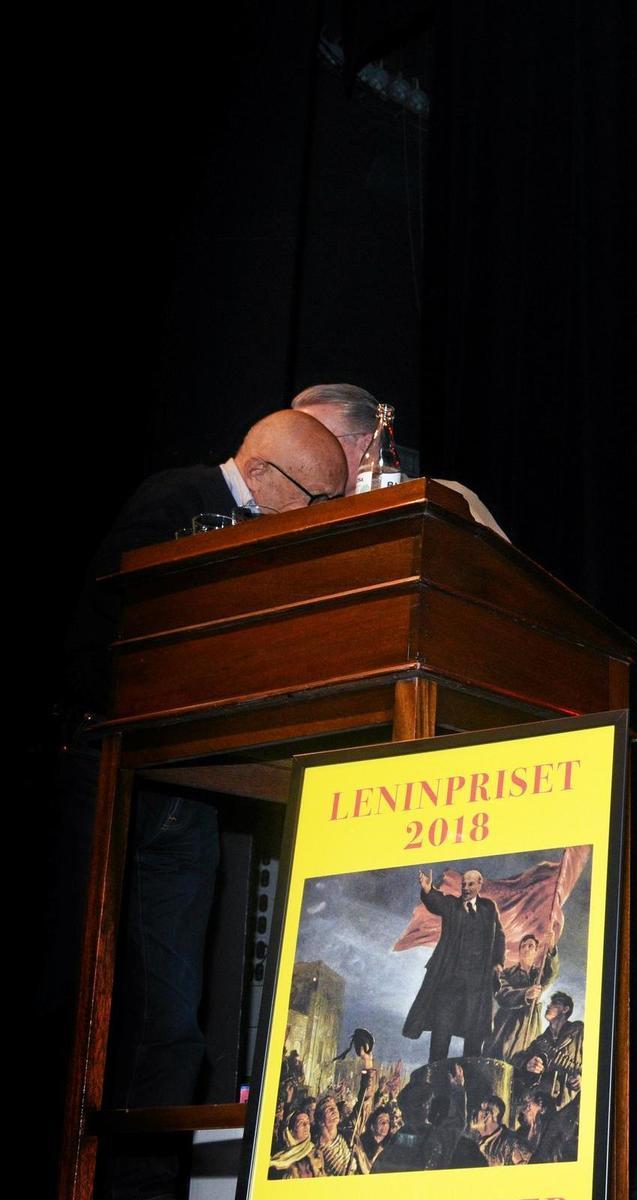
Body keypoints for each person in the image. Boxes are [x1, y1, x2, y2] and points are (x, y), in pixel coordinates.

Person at [65, 409, 347, 1200]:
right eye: (318, 501)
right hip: (110, 770)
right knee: (84, 996)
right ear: (261, 476)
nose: (323, 521)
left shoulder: (273, 533)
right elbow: (130, 629)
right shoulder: (176, 501)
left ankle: (146, 1187)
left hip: (189, 788)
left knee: (172, 1017)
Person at [289, 381, 509, 537]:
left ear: (367, 444)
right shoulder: (298, 521)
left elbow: (506, 580)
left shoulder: (443, 498)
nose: (301, 454)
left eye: (316, 441)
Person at [403, 867, 506, 1061]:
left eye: (470, 884)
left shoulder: (489, 908)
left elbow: (499, 934)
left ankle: (471, 1076)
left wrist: (498, 962)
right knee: (442, 1028)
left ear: (479, 884)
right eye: (463, 884)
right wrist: (428, 890)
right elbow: (437, 902)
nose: (466, 888)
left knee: (475, 1033)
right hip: (449, 981)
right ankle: (435, 1073)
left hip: (477, 985)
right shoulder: (452, 905)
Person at [489, 933, 559, 1060]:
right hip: (507, 1027)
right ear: (519, 951)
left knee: (524, 1064)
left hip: (529, 1028)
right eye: (523, 946)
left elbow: (552, 974)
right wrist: (525, 994)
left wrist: (551, 947)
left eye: (531, 946)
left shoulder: (539, 976)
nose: (526, 948)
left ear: (536, 951)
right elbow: (503, 994)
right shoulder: (506, 973)